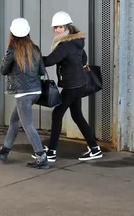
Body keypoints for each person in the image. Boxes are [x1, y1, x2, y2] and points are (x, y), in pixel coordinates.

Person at [42, 11, 102, 162]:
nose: (57, 30)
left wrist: (34, 58)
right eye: (55, 27)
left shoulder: (65, 44)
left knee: (57, 114)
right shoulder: (76, 41)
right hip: (78, 83)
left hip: (73, 86)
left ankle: (51, 152)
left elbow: (50, 60)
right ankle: (94, 148)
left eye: (60, 27)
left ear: (67, 27)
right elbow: (84, 59)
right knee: (77, 115)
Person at [0, 18, 49, 169]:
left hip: (23, 94)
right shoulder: (35, 48)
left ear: (12, 32)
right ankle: (4, 151)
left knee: (27, 124)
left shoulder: (12, 50)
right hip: (36, 91)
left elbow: (3, 70)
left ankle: (41, 155)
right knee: (14, 121)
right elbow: (42, 71)